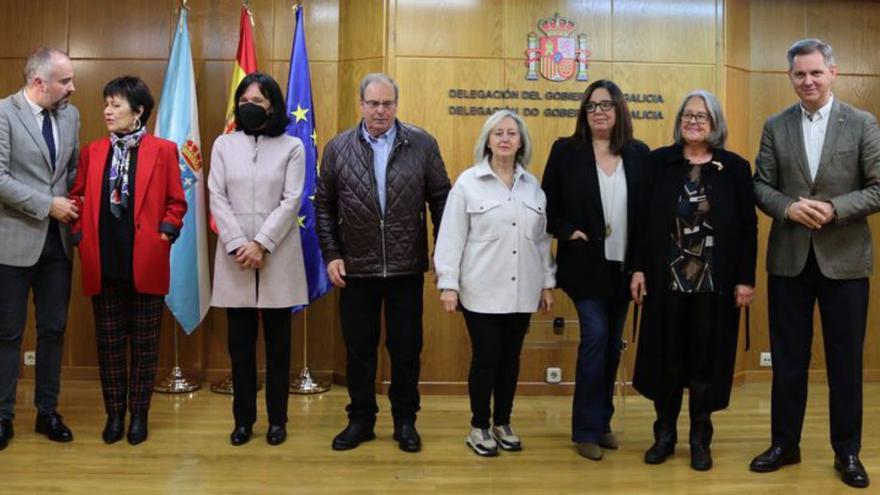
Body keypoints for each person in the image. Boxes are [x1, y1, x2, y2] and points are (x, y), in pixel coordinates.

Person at [750, 39, 880, 489]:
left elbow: (878, 187)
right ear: (790, 77)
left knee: (845, 363)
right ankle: (785, 444)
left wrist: (835, 208)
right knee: (788, 361)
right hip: (789, 260)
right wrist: (787, 208)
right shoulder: (775, 125)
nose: (807, 81)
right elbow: (761, 184)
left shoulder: (863, 123)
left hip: (844, 262)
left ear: (833, 72)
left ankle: (847, 452)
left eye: (815, 73)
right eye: (799, 74)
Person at [316, 72, 451, 453]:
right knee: (359, 350)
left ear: (396, 104)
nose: (380, 110)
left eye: (387, 103)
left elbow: (442, 199)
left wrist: (444, 250)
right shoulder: (338, 148)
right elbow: (323, 206)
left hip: (406, 269)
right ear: (361, 104)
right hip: (356, 270)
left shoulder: (422, 143)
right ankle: (360, 420)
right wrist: (332, 254)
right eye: (373, 103)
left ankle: (406, 421)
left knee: (406, 350)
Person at [629, 90, 757, 471]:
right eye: (688, 115)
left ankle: (700, 438)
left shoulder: (733, 167)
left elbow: (748, 228)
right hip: (665, 280)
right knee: (666, 359)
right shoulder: (658, 163)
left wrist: (745, 280)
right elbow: (639, 220)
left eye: (702, 116)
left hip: (713, 285)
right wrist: (636, 269)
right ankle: (664, 435)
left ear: (715, 123)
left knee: (705, 361)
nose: (694, 121)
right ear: (679, 121)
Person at [69, 76, 186, 445]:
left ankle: (140, 416)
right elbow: (77, 197)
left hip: (146, 262)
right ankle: (114, 415)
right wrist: (80, 238)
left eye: (116, 104)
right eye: (106, 103)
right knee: (110, 346)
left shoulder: (164, 150)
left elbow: (176, 202)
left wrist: (164, 234)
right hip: (103, 263)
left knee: (146, 347)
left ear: (138, 112)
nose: (107, 110)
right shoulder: (92, 152)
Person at [434, 110, 555, 457]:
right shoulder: (468, 183)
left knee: (510, 359)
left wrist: (547, 283)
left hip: (523, 291)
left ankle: (503, 422)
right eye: (497, 133)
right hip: (481, 290)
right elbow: (452, 237)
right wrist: (449, 284)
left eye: (511, 134)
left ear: (521, 142)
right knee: (486, 358)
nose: (504, 138)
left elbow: (542, 240)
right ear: (487, 140)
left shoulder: (532, 187)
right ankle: (479, 426)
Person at [542, 79, 651, 460]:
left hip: (624, 269)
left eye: (606, 105)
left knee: (610, 348)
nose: (599, 112)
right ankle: (585, 430)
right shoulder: (566, 151)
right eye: (591, 106)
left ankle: (602, 421)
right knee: (595, 338)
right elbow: (548, 207)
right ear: (583, 113)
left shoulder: (639, 154)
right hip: (584, 266)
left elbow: (647, 219)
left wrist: (641, 268)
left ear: (619, 110)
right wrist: (566, 230)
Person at [209, 72, 307, 447]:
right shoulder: (223, 144)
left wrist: (261, 244)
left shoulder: (291, 147)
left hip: (276, 256)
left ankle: (277, 421)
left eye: (259, 99)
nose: (251, 105)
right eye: (245, 98)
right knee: (241, 349)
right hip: (235, 258)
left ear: (273, 105)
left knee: (280, 348)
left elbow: (292, 199)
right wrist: (238, 244)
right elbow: (217, 194)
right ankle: (243, 421)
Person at [0, 47, 79, 450]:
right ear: (38, 82)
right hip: (12, 242)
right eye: (64, 81)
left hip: (58, 246)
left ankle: (47, 411)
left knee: (53, 329)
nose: (72, 88)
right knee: (7, 333)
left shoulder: (71, 115)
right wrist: (47, 205)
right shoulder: (3, 113)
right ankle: (2, 415)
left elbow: (70, 171)